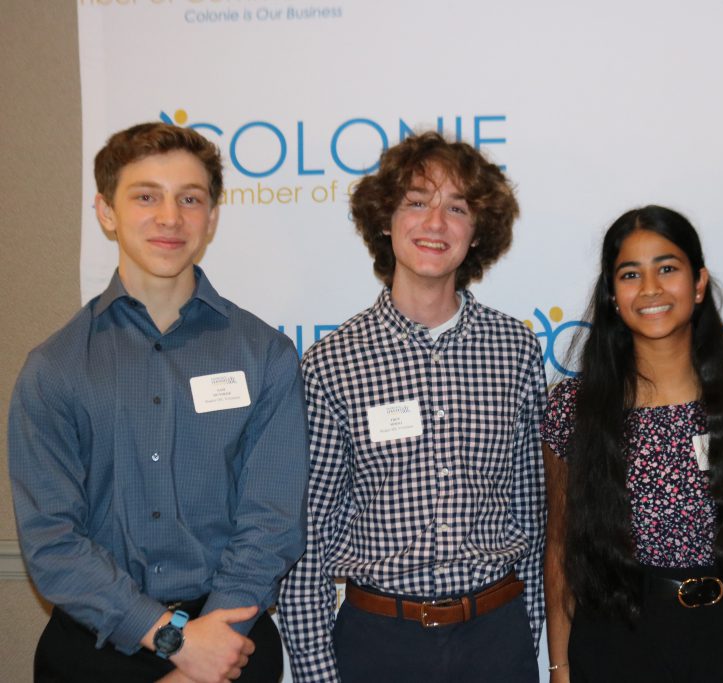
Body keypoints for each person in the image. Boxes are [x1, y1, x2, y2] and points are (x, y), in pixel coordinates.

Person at [7, 122, 309, 683]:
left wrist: (209, 648)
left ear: (211, 218)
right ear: (106, 212)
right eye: (146, 196)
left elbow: (272, 522)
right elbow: (51, 540)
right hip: (92, 649)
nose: (170, 218)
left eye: (189, 199)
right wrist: (173, 640)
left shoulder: (265, 354)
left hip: (231, 642)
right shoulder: (54, 369)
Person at [278, 132, 547, 683]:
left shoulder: (514, 350)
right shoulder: (333, 363)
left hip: (496, 636)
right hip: (379, 642)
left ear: (477, 233)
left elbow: (532, 513)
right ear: (385, 219)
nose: (435, 223)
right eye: (417, 202)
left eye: (457, 208)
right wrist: (314, 671)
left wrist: (528, 629)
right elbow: (308, 535)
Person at [542, 206, 723, 682]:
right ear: (612, 294)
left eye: (667, 268)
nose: (650, 289)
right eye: (631, 274)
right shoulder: (575, 406)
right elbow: (561, 546)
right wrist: (560, 665)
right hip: (618, 636)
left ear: (699, 282)